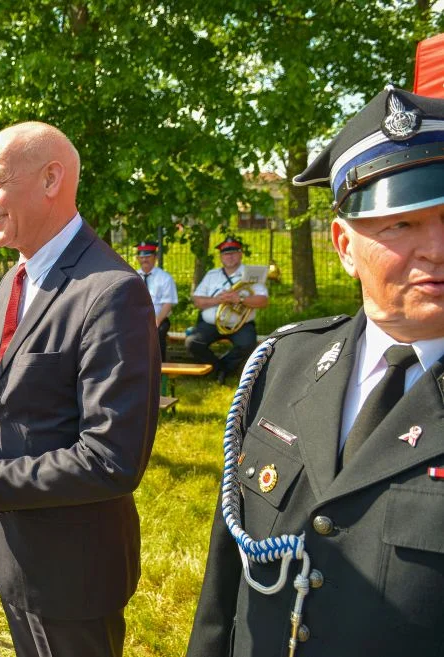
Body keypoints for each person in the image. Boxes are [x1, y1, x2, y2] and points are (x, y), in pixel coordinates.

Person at [187, 86, 444, 657]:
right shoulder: (283, 364)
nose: (436, 248)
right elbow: (223, 585)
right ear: (344, 246)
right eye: (400, 225)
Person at [0, 122, 161, 657]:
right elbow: (26, 396)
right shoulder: (13, 281)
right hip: (17, 559)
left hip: (72, 572)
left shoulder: (111, 292)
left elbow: (111, 458)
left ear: (52, 178)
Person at [185, 237, 269, 383]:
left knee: (247, 345)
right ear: (221, 256)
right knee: (192, 343)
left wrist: (240, 300)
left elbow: (263, 301)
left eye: (233, 253)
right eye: (226, 254)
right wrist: (219, 300)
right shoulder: (212, 275)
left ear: (240, 254)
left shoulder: (251, 274)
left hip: (240, 324)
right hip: (211, 323)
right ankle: (220, 369)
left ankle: (221, 370)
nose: (229, 257)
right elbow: (198, 301)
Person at [135, 240, 177, 361]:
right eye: (141, 257)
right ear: (137, 258)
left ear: (155, 257)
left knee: (157, 334)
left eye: (148, 256)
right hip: (136, 319)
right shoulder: (133, 276)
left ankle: (159, 369)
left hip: (159, 319)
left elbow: (168, 303)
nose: (144, 260)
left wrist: (156, 321)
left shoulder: (165, 278)